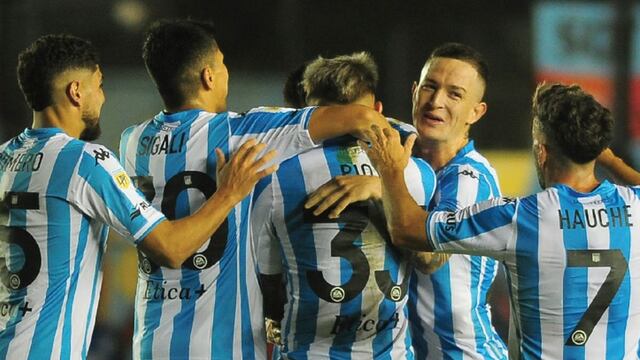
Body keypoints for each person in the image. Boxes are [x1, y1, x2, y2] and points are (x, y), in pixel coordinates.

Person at [119, 20, 393, 360]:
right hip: (220, 346)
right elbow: (360, 117)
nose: (226, 73)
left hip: (149, 339)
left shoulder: (131, 142)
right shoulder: (241, 133)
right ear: (208, 76)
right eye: (222, 64)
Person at [0, 34, 276, 360]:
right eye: (98, 86)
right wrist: (229, 193)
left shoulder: (4, 157)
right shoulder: (86, 160)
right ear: (76, 92)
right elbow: (170, 248)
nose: (102, 98)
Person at [363, 82, 640, 359]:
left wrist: (390, 169)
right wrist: (612, 161)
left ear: (541, 152)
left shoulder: (520, 217)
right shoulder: (635, 205)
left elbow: (406, 230)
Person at [306, 43, 507, 358]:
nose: (436, 102)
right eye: (430, 87)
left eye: (455, 94)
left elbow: (429, 258)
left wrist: (381, 186)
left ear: (476, 112)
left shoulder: (469, 179)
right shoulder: (401, 147)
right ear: (415, 91)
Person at [252, 52, 436, 358]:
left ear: (310, 114)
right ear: (377, 109)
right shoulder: (417, 173)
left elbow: (269, 283)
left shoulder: (275, 177)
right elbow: (431, 260)